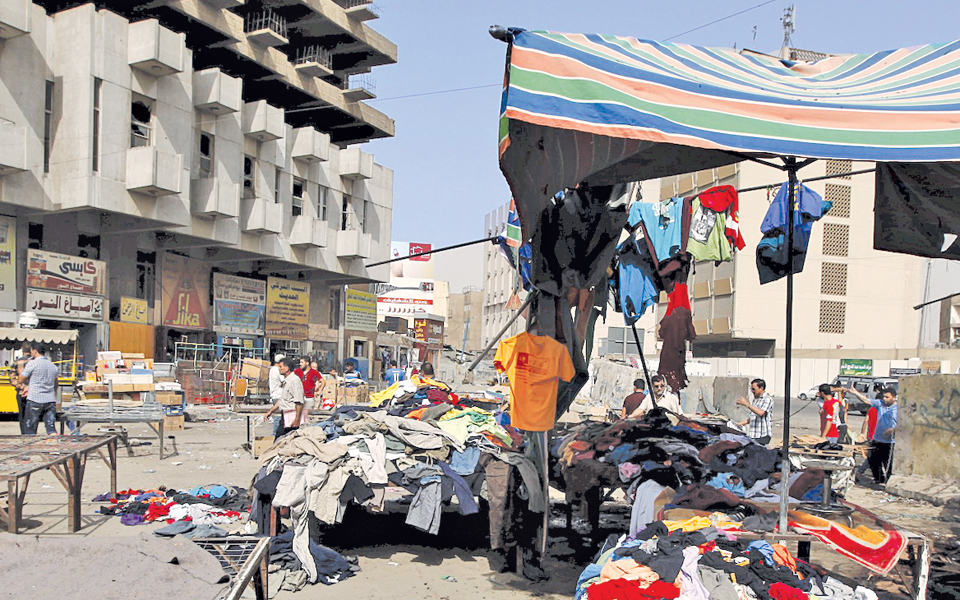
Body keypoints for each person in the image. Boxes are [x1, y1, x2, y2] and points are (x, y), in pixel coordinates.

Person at [19, 343, 60, 435]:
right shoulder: (53, 366)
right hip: (50, 400)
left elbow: (21, 379)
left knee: (30, 427)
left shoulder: (32, 364)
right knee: (51, 427)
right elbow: (56, 383)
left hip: (35, 399)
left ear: (35, 351)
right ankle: (54, 447)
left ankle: (30, 448)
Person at [263, 358, 304, 438]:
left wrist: (297, 419)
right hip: (285, 414)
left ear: (286, 368)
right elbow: (282, 399)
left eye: (281, 366)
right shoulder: (287, 381)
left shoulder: (294, 380)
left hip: (291, 415)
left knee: (282, 439)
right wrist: (270, 411)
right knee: (282, 440)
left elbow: (299, 402)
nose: (279, 369)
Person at [867, 388, 898, 484]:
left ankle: (888, 482)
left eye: (887, 397)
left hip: (890, 442)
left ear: (894, 397)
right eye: (884, 396)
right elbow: (867, 401)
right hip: (877, 439)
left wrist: (893, 430)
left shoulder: (898, 409)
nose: (884, 399)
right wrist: (855, 392)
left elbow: (905, 425)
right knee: (873, 460)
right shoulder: (880, 404)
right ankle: (879, 479)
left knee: (888, 464)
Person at [735, 378, 774, 445]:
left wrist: (747, 404)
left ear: (761, 388)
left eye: (754, 389)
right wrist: (742, 423)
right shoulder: (755, 400)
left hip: (762, 435)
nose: (752, 391)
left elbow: (761, 412)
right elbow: (754, 416)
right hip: (754, 435)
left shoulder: (767, 399)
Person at [13, 342, 32, 434]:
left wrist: (20, 386)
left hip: (20, 392)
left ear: (22, 350)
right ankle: (30, 433)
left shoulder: (17, 362)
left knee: (22, 414)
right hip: (32, 392)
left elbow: (11, 376)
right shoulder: (34, 361)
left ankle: (23, 433)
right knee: (31, 415)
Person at [294, 357, 321, 423]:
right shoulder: (297, 371)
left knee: (307, 418)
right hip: (299, 398)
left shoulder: (314, 372)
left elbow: (322, 381)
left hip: (309, 398)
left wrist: (319, 391)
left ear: (307, 363)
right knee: (298, 416)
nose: (300, 364)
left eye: (302, 362)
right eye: (300, 362)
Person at [267, 353, 285, 436]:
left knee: (278, 417)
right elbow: (284, 381)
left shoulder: (272, 369)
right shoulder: (277, 370)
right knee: (278, 418)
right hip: (278, 395)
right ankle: (274, 435)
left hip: (274, 395)